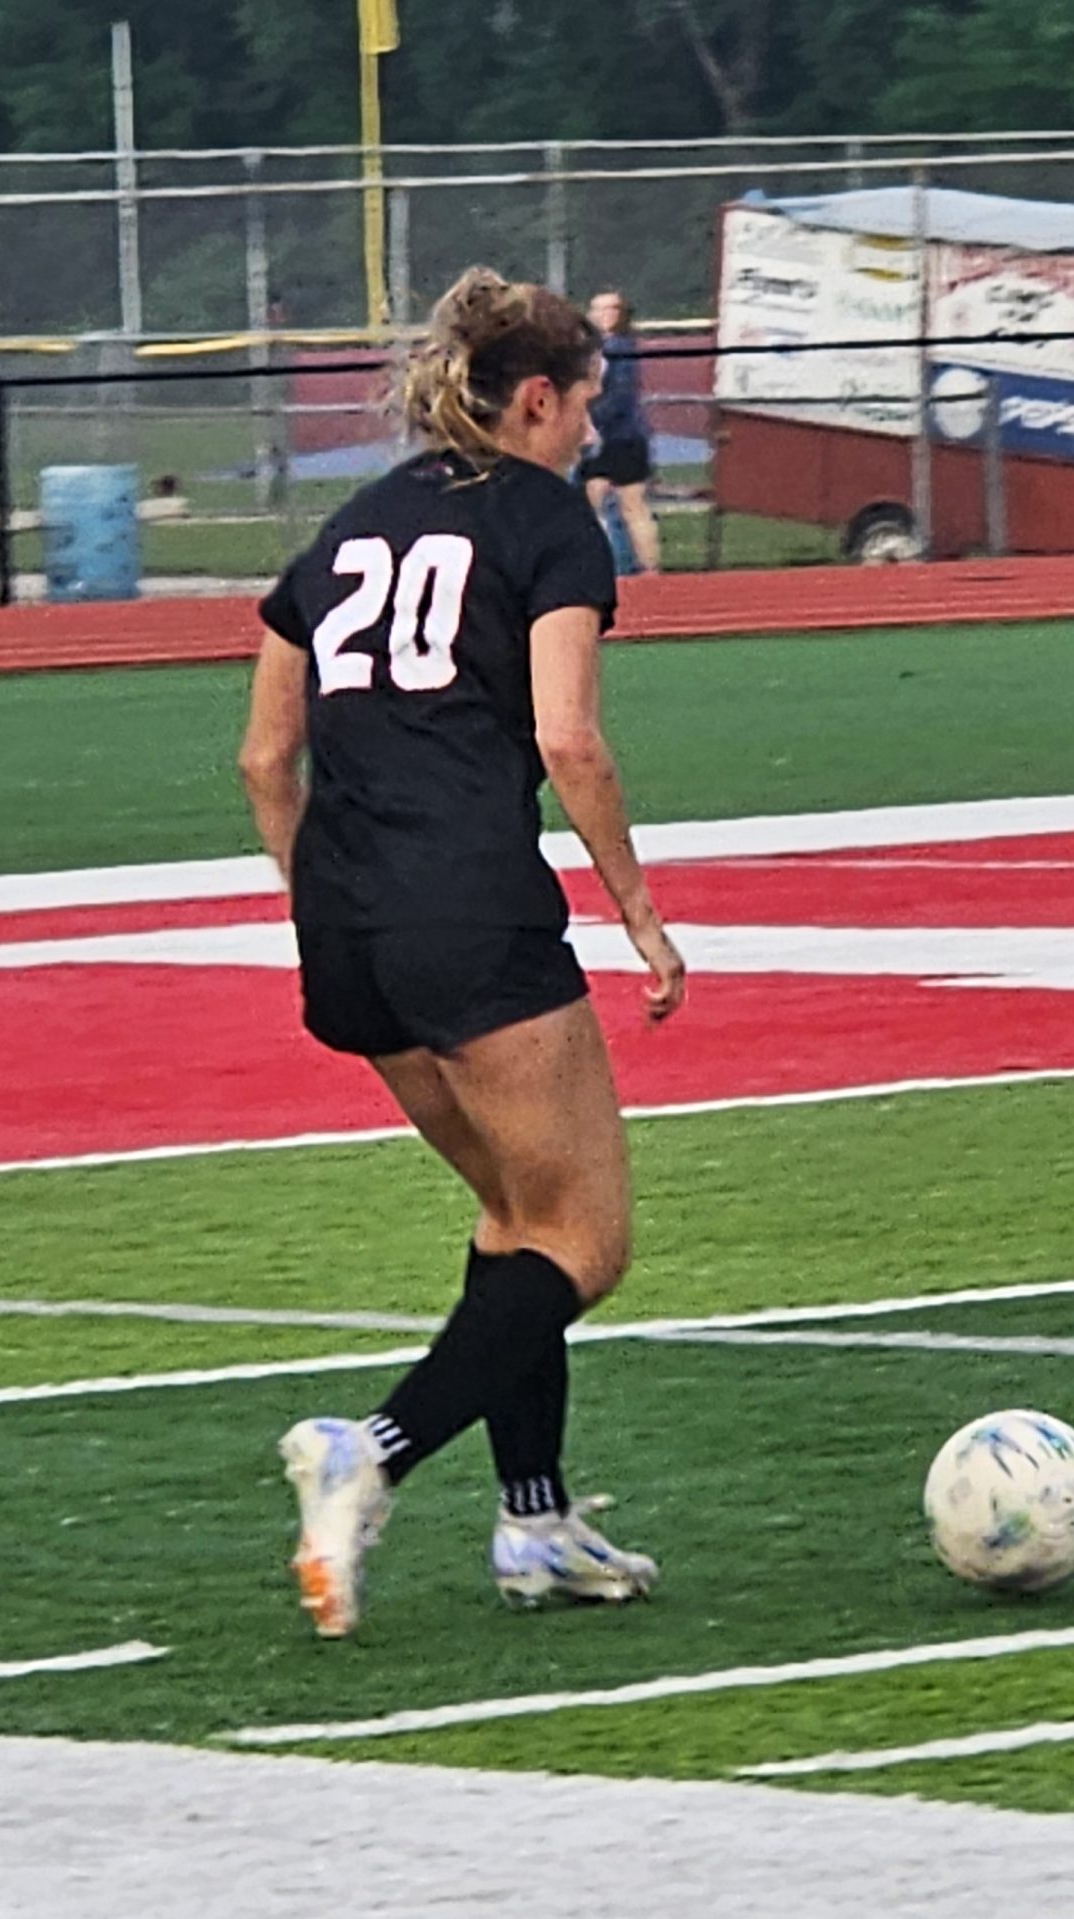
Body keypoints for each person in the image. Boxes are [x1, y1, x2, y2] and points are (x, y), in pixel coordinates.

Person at [238, 267, 687, 1638]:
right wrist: (639, 910)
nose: (592, 437)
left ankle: (537, 1521)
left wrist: (328, 888)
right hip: (470, 914)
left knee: (514, 1216)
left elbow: (265, 753)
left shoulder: (350, 524)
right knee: (588, 1236)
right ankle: (371, 1446)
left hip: (350, 926)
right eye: (586, 407)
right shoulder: (550, 523)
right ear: (537, 398)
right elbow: (568, 737)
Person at [580, 288, 662, 576]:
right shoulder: (597, 350)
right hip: (605, 438)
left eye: (608, 309)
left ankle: (649, 570)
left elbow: (620, 397)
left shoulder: (621, 348)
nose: (600, 315)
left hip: (622, 437)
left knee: (632, 505)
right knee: (595, 500)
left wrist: (591, 421)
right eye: (596, 309)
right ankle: (613, 565)